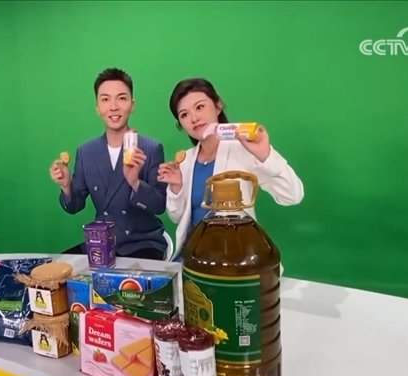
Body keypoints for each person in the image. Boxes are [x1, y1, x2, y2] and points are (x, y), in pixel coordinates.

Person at [157, 78, 304, 261]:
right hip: (192, 257)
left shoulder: (243, 150)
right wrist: (176, 187)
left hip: (232, 258)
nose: (194, 118)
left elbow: (293, 195)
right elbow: (177, 217)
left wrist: (266, 155)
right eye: (184, 115)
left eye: (200, 107)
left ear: (218, 106)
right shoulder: (185, 160)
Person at [49, 68, 168, 261]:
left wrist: (135, 183)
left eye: (122, 98)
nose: (113, 107)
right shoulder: (86, 152)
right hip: (101, 242)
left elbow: (160, 206)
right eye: (105, 99)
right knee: (56, 268)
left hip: (142, 243)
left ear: (132, 105)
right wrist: (66, 187)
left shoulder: (151, 148)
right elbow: (74, 206)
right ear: (97, 107)